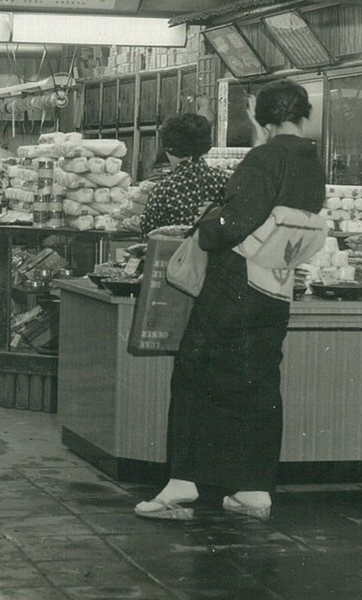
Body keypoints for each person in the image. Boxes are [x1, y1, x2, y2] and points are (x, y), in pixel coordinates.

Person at [137, 81, 327, 523]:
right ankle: (254, 489)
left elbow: (230, 224)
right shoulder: (310, 161)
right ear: (305, 116)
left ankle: (181, 484)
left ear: (262, 118)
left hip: (233, 286)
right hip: (275, 286)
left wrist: (207, 224)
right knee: (259, 384)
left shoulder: (264, 157)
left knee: (193, 374)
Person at [139, 113, 228, 233]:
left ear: (169, 148)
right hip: (216, 250)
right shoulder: (225, 180)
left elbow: (148, 230)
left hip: (175, 251)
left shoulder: (163, 190)